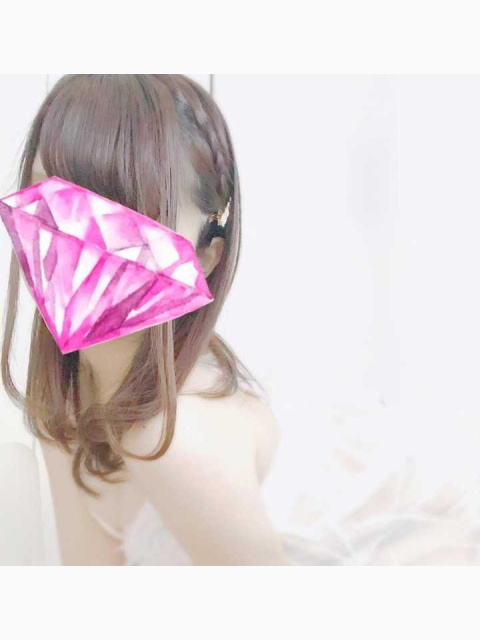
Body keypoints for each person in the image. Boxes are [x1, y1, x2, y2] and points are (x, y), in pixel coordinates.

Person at [4, 74, 480, 566]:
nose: (74, 237)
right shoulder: (65, 401)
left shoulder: (176, 436)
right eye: (50, 193)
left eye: (122, 215)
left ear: (206, 255)